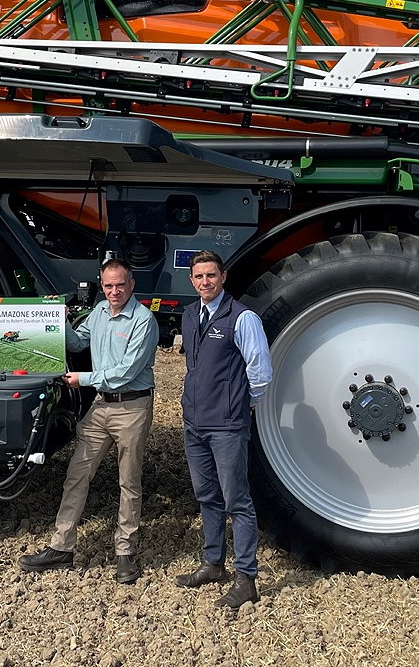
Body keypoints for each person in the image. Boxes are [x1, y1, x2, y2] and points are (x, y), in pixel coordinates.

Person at [19, 260, 159, 584]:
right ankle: (61, 548)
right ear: (102, 283)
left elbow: (126, 373)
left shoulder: (143, 321)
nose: (114, 291)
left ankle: (125, 554)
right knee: (77, 474)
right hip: (101, 407)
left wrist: (82, 378)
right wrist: (58, 320)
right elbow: (78, 343)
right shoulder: (98, 312)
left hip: (131, 407)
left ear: (132, 284)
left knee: (129, 482)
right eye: (108, 286)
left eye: (120, 285)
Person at [176, 250, 272, 609]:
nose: (205, 282)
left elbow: (260, 371)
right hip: (195, 424)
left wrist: (241, 405)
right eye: (199, 277)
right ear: (192, 280)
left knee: (238, 501)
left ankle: (246, 578)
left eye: (211, 276)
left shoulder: (241, 318)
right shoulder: (189, 315)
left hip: (227, 426)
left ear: (224, 277)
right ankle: (212, 563)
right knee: (207, 497)